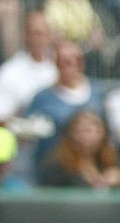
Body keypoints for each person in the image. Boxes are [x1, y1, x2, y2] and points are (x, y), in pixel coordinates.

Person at [27, 38, 106, 173]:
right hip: (53, 171)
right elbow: (28, 131)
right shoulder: (43, 98)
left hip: (92, 171)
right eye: (61, 62)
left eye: (71, 61)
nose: (67, 67)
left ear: (81, 63)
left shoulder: (98, 94)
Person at [37, 108, 120, 187]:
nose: (85, 137)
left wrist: (118, 179)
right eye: (79, 131)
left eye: (89, 130)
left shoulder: (112, 160)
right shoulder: (56, 164)